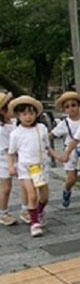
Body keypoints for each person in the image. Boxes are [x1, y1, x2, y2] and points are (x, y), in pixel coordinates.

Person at [7, 95, 59, 237]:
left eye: (31, 113)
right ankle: (34, 223)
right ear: (18, 115)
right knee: (32, 195)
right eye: (24, 114)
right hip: (26, 168)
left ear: (36, 114)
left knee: (44, 196)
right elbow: (11, 153)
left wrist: (57, 156)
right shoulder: (16, 134)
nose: (28, 117)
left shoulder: (41, 128)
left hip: (40, 167)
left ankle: (39, 211)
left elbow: (47, 147)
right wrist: (12, 166)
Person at [49, 91, 80, 209]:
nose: (71, 109)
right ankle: (67, 190)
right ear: (64, 109)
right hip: (71, 149)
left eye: (74, 105)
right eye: (67, 107)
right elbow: (51, 135)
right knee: (71, 178)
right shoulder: (64, 123)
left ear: (79, 106)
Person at [0, 90, 20, 226]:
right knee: (6, 187)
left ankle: (26, 209)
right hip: (4, 160)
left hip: (19, 158)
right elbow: (7, 150)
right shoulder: (1, 129)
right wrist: (12, 165)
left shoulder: (13, 123)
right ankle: (3, 213)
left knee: (26, 185)